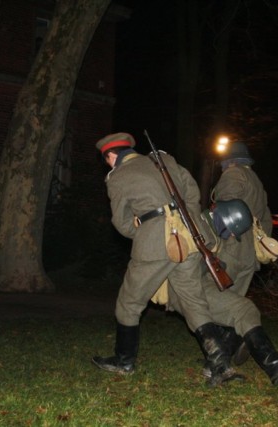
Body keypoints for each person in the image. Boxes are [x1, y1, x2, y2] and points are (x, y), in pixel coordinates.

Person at [90, 132, 240, 386]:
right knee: (193, 301)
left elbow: (122, 222)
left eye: (107, 160)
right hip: (190, 238)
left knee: (129, 302)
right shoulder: (163, 159)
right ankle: (220, 363)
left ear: (112, 155)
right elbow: (192, 190)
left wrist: (143, 231)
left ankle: (124, 361)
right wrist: (185, 220)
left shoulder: (118, 176)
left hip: (155, 242)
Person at [167, 199, 278, 386]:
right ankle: (221, 365)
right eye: (229, 231)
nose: (230, 236)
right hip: (186, 287)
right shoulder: (196, 225)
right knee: (240, 308)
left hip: (204, 285)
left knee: (246, 308)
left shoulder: (216, 231)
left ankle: (275, 365)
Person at [212, 141, 273, 297]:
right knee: (234, 301)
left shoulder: (234, 173)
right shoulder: (257, 182)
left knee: (214, 297)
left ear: (231, 160)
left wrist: (220, 238)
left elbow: (225, 208)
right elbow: (266, 220)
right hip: (250, 254)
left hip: (232, 247)